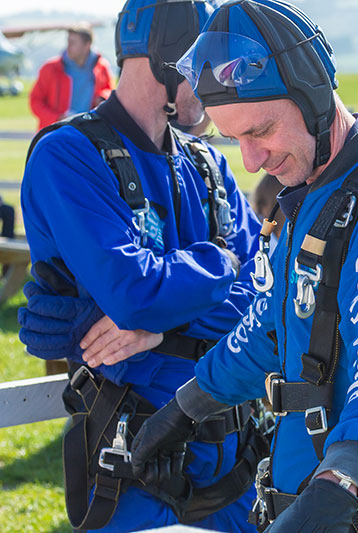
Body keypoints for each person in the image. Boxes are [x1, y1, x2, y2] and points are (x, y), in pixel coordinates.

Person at [128, 1, 358, 531]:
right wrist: (187, 407)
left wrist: (340, 484)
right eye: (233, 137)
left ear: (312, 95)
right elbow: (275, 326)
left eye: (260, 130)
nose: (250, 159)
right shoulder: (317, 195)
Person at [18, 0, 265, 530]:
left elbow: (271, 299)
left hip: (239, 469)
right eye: (207, 68)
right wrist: (225, 262)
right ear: (165, 61)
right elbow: (136, 293)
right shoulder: (67, 157)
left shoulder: (209, 164)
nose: (221, 85)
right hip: (136, 472)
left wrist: (156, 332)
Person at [29, 23, 115, 130]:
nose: (68, 47)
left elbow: (110, 93)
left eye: (73, 43)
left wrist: (102, 97)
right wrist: (58, 118)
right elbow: (35, 101)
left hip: (89, 132)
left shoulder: (102, 67)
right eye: (68, 42)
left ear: (87, 45)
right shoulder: (49, 68)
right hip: (55, 133)